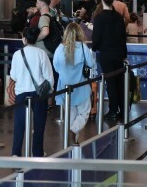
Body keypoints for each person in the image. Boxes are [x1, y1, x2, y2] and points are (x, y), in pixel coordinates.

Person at [7, 26, 54, 157]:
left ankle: (16, 153)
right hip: (39, 94)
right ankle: (37, 152)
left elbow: (14, 76)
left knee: (19, 125)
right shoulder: (41, 53)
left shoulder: (17, 54)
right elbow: (49, 77)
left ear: (24, 39)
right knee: (39, 125)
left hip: (21, 94)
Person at [53, 23, 96, 144]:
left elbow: (56, 67)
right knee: (84, 112)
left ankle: (72, 141)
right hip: (81, 86)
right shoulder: (83, 47)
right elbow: (91, 64)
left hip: (65, 87)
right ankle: (73, 132)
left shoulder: (60, 48)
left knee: (71, 114)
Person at [91, 0, 127, 121]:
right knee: (120, 82)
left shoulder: (99, 18)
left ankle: (112, 110)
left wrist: (95, 48)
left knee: (110, 83)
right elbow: (123, 36)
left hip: (106, 54)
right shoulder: (118, 17)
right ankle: (122, 109)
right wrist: (124, 53)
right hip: (118, 53)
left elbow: (96, 38)